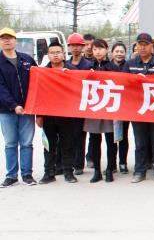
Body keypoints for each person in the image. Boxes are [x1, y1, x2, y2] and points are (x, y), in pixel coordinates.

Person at [124, 32, 154, 183]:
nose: (142, 48)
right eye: (140, 45)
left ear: (151, 46)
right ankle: (139, 171)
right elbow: (123, 83)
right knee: (140, 142)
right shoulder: (130, 64)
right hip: (138, 110)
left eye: (145, 45)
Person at [0, 27, 37, 187]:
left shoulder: (27, 59)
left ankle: (27, 174)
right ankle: (11, 175)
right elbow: (1, 88)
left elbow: (40, 79)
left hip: (28, 109)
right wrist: (13, 105)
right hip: (6, 111)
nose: (7, 41)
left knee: (27, 143)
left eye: (9, 38)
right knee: (10, 144)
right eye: (3, 38)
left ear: (15, 40)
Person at [36, 42, 77, 184]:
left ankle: (68, 172)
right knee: (49, 145)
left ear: (63, 54)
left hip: (67, 114)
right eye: (52, 53)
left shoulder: (72, 71)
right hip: (48, 115)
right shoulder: (43, 72)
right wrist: (39, 116)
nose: (55, 55)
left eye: (58, 52)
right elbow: (38, 94)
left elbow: (79, 92)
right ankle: (49, 173)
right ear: (48, 55)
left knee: (68, 144)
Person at [84, 39, 120, 183]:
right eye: (95, 49)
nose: (97, 52)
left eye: (100, 48)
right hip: (93, 108)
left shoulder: (113, 67)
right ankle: (97, 171)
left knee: (111, 141)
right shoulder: (88, 67)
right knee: (94, 140)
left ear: (106, 50)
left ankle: (110, 169)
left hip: (110, 107)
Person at [66, 32, 92, 175]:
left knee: (80, 135)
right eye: (73, 45)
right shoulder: (65, 63)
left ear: (82, 47)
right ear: (69, 47)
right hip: (68, 104)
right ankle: (66, 163)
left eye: (78, 45)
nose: (75, 48)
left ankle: (78, 164)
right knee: (67, 135)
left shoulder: (88, 65)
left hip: (82, 103)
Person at [110, 42, 130, 173]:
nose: (119, 54)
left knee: (123, 136)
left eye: (121, 52)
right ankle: (112, 164)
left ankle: (123, 162)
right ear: (112, 53)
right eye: (116, 51)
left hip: (125, 105)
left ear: (125, 53)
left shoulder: (129, 66)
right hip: (110, 105)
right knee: (111, 136)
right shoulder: (107, 66)